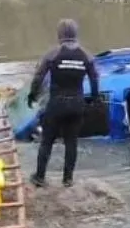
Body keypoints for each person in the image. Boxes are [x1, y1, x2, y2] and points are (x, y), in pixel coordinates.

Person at [27, 18, 99, 188]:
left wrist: (32, 95)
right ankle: (67, 180)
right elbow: (95, 79)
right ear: (76, 34)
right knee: (71, 142)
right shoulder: (86, 56)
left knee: (47, 141)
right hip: (76, 104)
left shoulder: (52, 54)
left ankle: (39, 177)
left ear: (59, 34)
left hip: (56, 104)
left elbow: (38, 77)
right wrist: (94, 99)